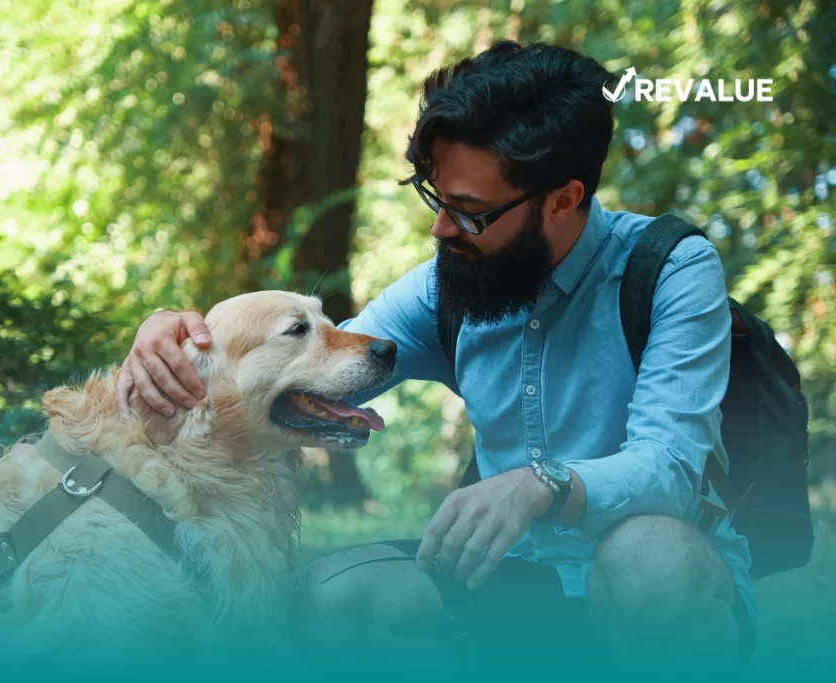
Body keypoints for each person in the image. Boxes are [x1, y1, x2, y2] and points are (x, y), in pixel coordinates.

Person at [115, 40, 757, 674]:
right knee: (331, 598)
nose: (441, 229)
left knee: (649, 557)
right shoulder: (449, 279)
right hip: (510, 578)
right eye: (436, 197)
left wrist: (541, 483)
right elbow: (302, 364)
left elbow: (669, 466)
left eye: (470, 212)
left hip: (649, 581)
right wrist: (176, 331)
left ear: (561, 200)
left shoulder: (671, 269)